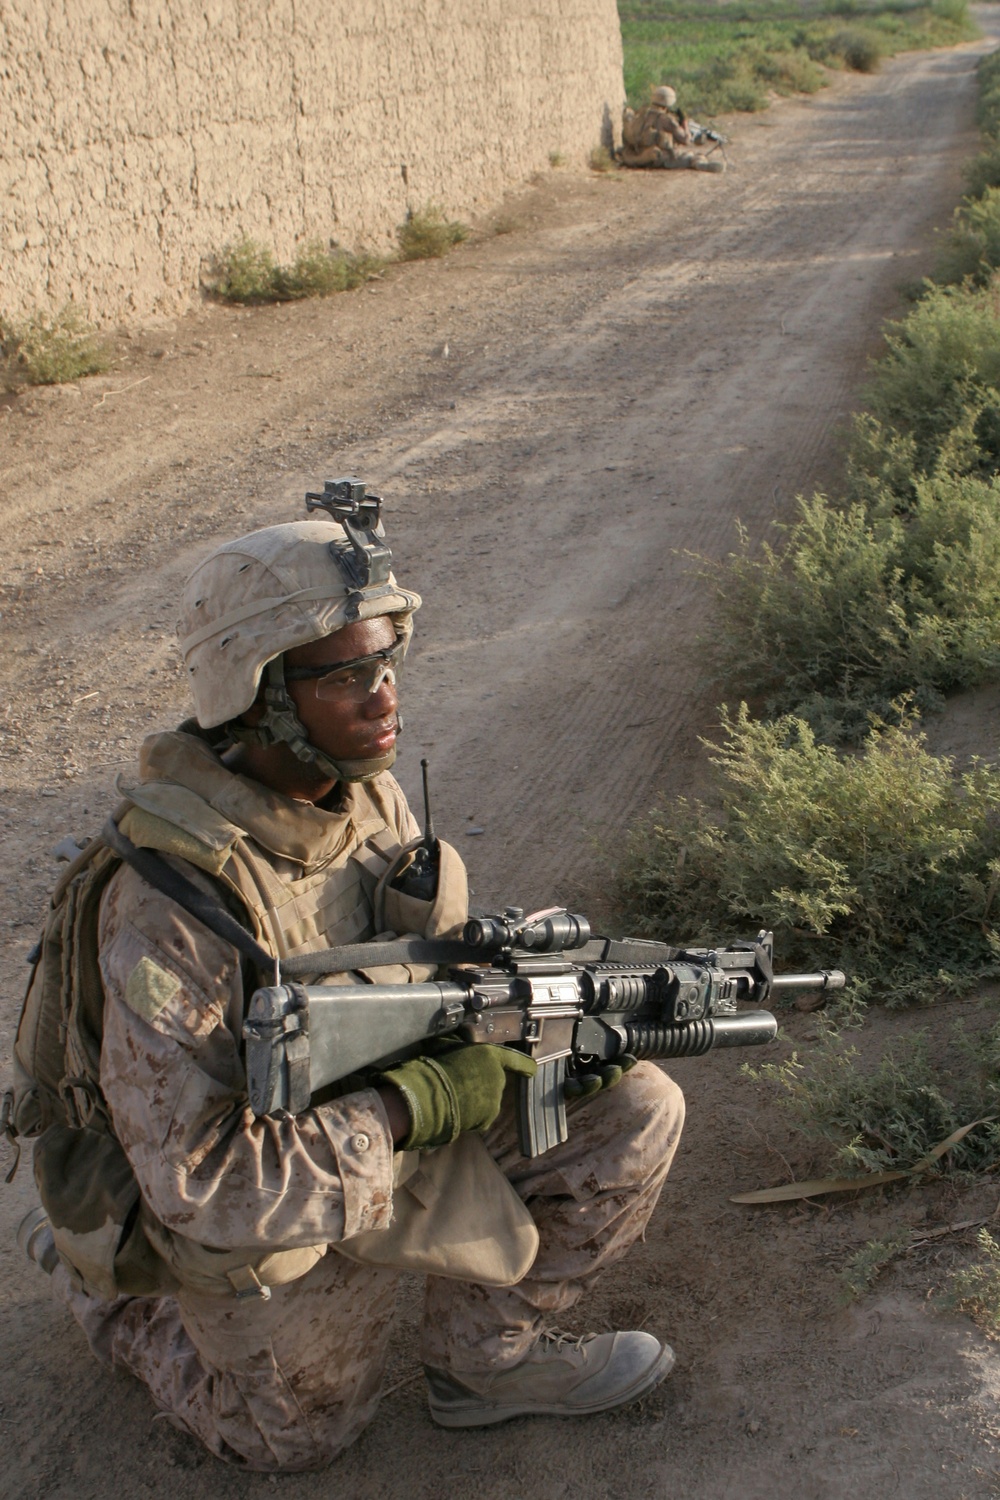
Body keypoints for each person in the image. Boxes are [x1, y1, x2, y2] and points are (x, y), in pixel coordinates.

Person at [14, 488, 685, 1471]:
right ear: (258, 694)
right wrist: (412, 1109)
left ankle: (481, 1366)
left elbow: (418, 984)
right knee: (298, 1435)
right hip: (228, 1194)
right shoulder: (174, 900)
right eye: (346, 677)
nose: (385, 695)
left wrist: (522, 1027)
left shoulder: (359, 797)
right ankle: (110, 1298)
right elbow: (201, 1182)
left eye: (388, 661)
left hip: (350, 1126)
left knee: (635, 1108)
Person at [620, 85, 725, 173]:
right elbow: (686, 140)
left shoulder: (641, 113)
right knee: (693, 156)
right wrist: (684, 123)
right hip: (660, 159)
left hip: (638, 156)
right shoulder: (666, 119)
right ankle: (701, 164)